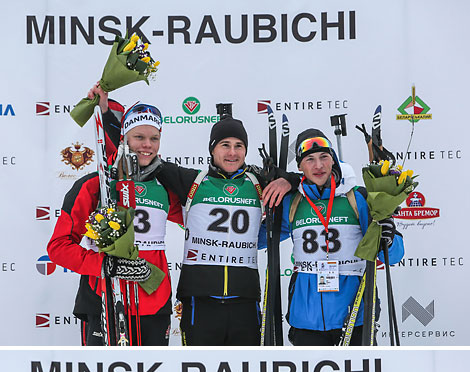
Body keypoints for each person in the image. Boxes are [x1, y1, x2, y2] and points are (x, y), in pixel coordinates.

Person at [140, 115, 292, 346]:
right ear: (212, 149)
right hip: (200, 301)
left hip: (245, 300)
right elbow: (145, 158)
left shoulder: (259, 182)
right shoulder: (193, 180)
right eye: (225, 145)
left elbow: (310, 177)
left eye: (239, 146)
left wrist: (287, 180)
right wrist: (108, 114)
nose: (233, 153)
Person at [48, 98, 183, 345]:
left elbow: (205, 220)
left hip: (154, 302)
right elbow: (58, 248)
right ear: (123, 139)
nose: (147, 145)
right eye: (138, 137)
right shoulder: (94, 186)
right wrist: (104, 266)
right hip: (104, 299)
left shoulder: (166, 187)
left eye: (154, 138)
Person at [275, 128, 403, 345]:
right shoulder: (292, 202)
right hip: (306, 318)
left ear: (333, 160)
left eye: (324, 157)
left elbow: (395, 254)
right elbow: (255, 240)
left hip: (355, 314)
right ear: (299, 167)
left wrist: (389, 238)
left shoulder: (357, 197)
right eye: (310, 159)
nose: (318, 165)